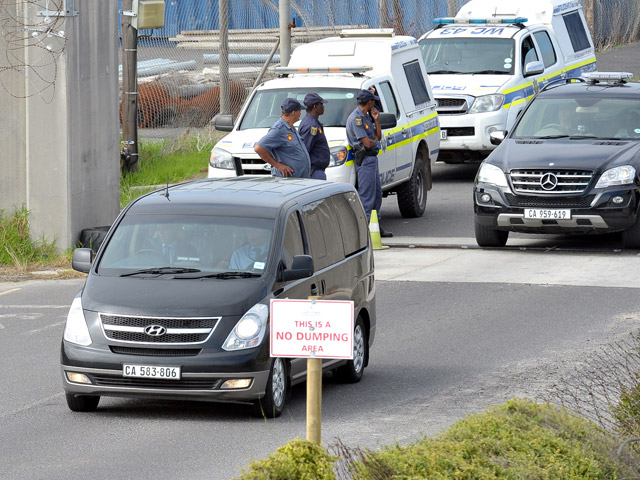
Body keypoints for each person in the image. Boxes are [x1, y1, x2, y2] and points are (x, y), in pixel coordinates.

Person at [346, 89, 392, 237]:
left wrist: (376, 119)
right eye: (374, 100)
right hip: (365, 159)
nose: (375, 103)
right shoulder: (356, 119)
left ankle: (376, 227)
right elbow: (367, 143)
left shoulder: (366, 117)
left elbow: (377, 137)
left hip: (372, 159)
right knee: (367, 196)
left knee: (377, 195)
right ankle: (364, 231)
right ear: (369, 102)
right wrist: (373, 142)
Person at [254, 98, 311, 178]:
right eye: (299, 111)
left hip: (298, 180)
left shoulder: (291, 128)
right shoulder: (279, 130)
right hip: (287, 182)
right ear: (293, 113)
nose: (301, 114)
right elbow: (259, 148)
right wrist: (278, 165)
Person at [298, 93, 330, 180]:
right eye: (321, 104)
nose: (323, 107)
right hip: (314, 172)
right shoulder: (311, 125)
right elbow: (305, 151)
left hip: (316, 171)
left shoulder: (313, 122)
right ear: (315, 106)